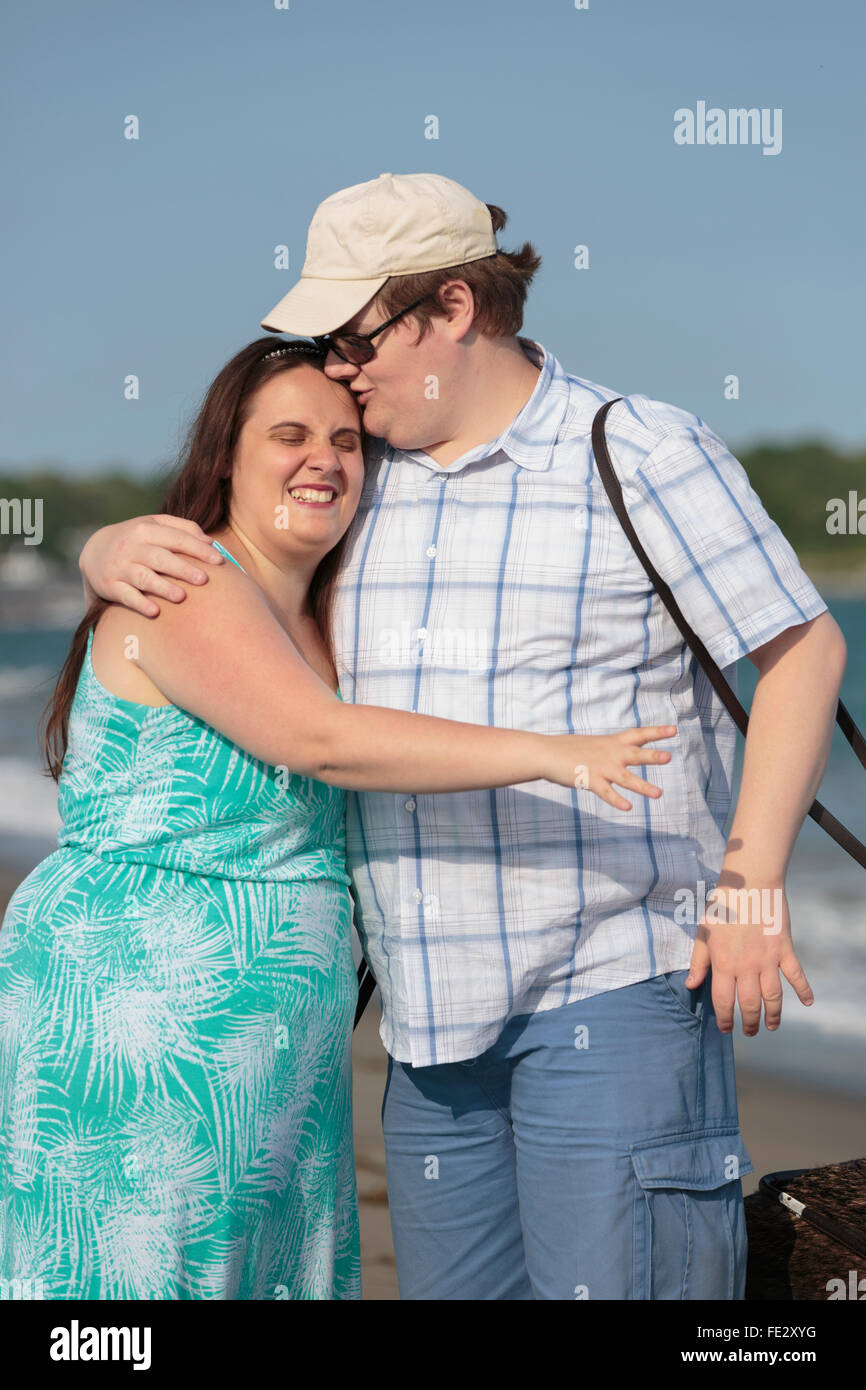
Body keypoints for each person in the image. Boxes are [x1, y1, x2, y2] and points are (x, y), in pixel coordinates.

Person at [75, 173, 847, 1300]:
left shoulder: (635, 451)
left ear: (450, 308)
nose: (339, 364)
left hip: (610, 982)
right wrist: (106, 548)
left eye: (355, 333)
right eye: (323, 340)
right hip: (425, 1021)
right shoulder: (356, 477)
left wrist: (750, 883)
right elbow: (248, 614)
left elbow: (802, 650)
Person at [0, 336, 673, 1301]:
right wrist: (554, 754)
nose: (324, 458)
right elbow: (322, 741)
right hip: (134, 1013)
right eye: (289, 435)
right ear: (225, 456)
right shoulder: (188, 581)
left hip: (277, 1040)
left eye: (347, 440)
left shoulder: (327, 614)